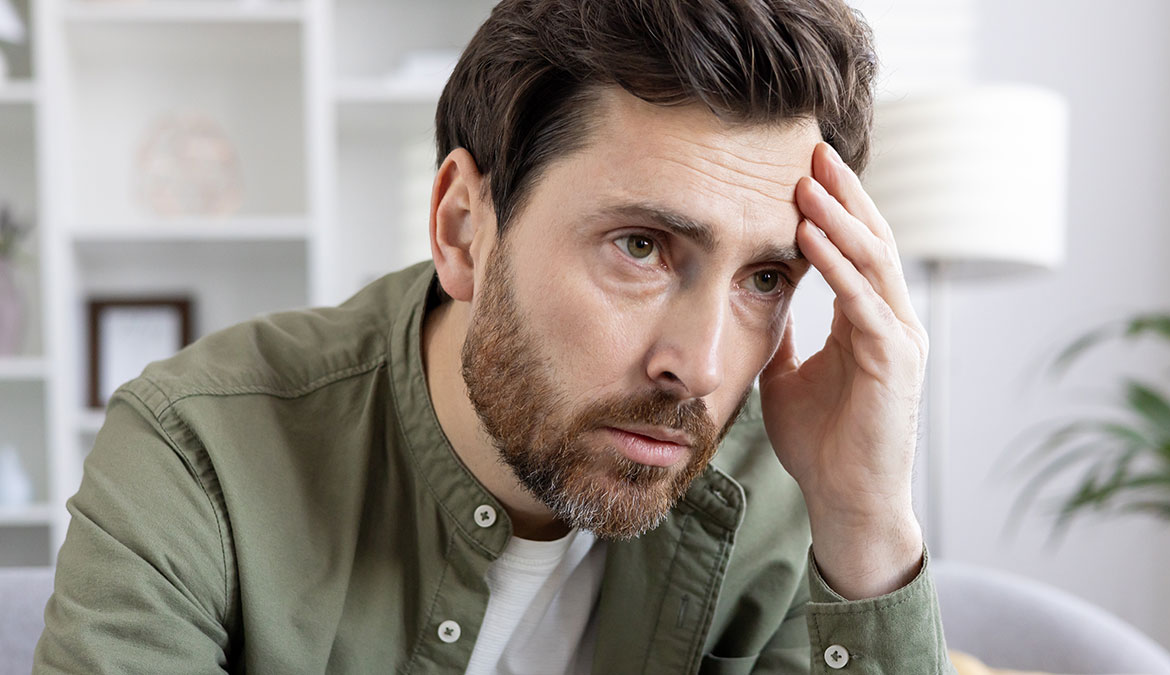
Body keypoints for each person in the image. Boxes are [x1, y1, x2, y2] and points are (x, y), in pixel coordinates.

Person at [36, 0, 954, 672]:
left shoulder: (792, 489)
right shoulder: (199, 450)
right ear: (462, 228)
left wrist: (867, 526)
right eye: (641, 246)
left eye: (766, 279)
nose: (702, 366)